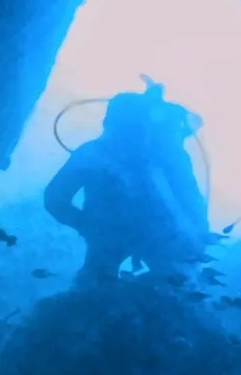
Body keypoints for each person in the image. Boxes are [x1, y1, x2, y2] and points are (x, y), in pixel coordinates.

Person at [43, 79, 210, 285]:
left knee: (97, 282)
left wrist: (87, 225)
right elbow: (192, 201)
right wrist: (87, 225)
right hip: (137, 230)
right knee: (175, 285)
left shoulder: (166, 154)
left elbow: (55, 198)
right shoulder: (167, 154)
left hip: (138, 230)